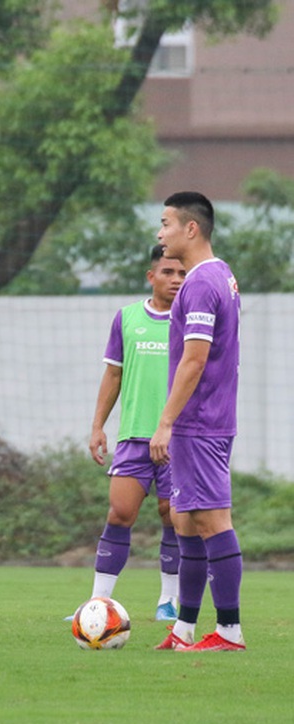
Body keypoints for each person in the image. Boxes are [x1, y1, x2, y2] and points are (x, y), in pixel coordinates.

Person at [150, 191, 244, 652]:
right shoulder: (219, 274)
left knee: (212, 520)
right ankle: (185, 629)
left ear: (191, 228)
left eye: (165, 222)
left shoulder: (203, 283)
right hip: (206, 419)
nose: (159, 232)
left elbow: (195, 359)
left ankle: (229, 630)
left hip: (200, 421)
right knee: (185, 521)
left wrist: (166, 421)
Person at [74, 245, 186, 621]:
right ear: (151, 276)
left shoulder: (193, 321)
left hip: (178, 439)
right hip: (134, 437)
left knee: (173, 515)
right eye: (168, 272)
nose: (176, 280)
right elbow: (114, 374)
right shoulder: (127, 318)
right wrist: (97, 426)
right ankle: (97, 603)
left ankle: (168, 601)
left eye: (182, 274)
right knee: (120, 513)